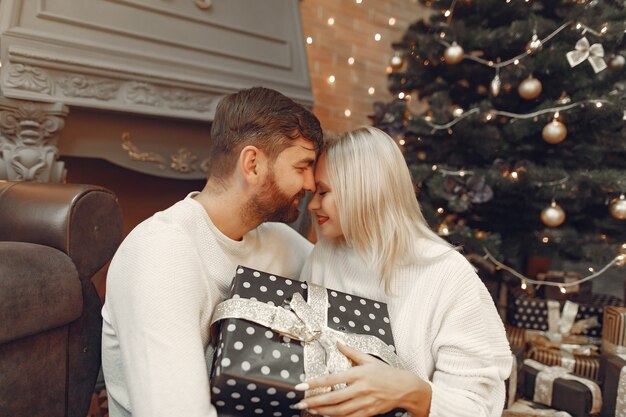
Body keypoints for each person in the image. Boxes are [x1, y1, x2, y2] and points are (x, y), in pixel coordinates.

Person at [101, 87, 323, 417]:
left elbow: (348, 278)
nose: (310, 184)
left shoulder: (279, 241)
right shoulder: (162, 253)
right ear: (252, 164)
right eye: (303, 166)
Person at [294, 126, 512, 417]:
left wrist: (411, 392)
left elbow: (476, 407)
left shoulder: (447, 275)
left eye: (323, 191)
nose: (314, 205)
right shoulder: (325, 255)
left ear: (363, 189)